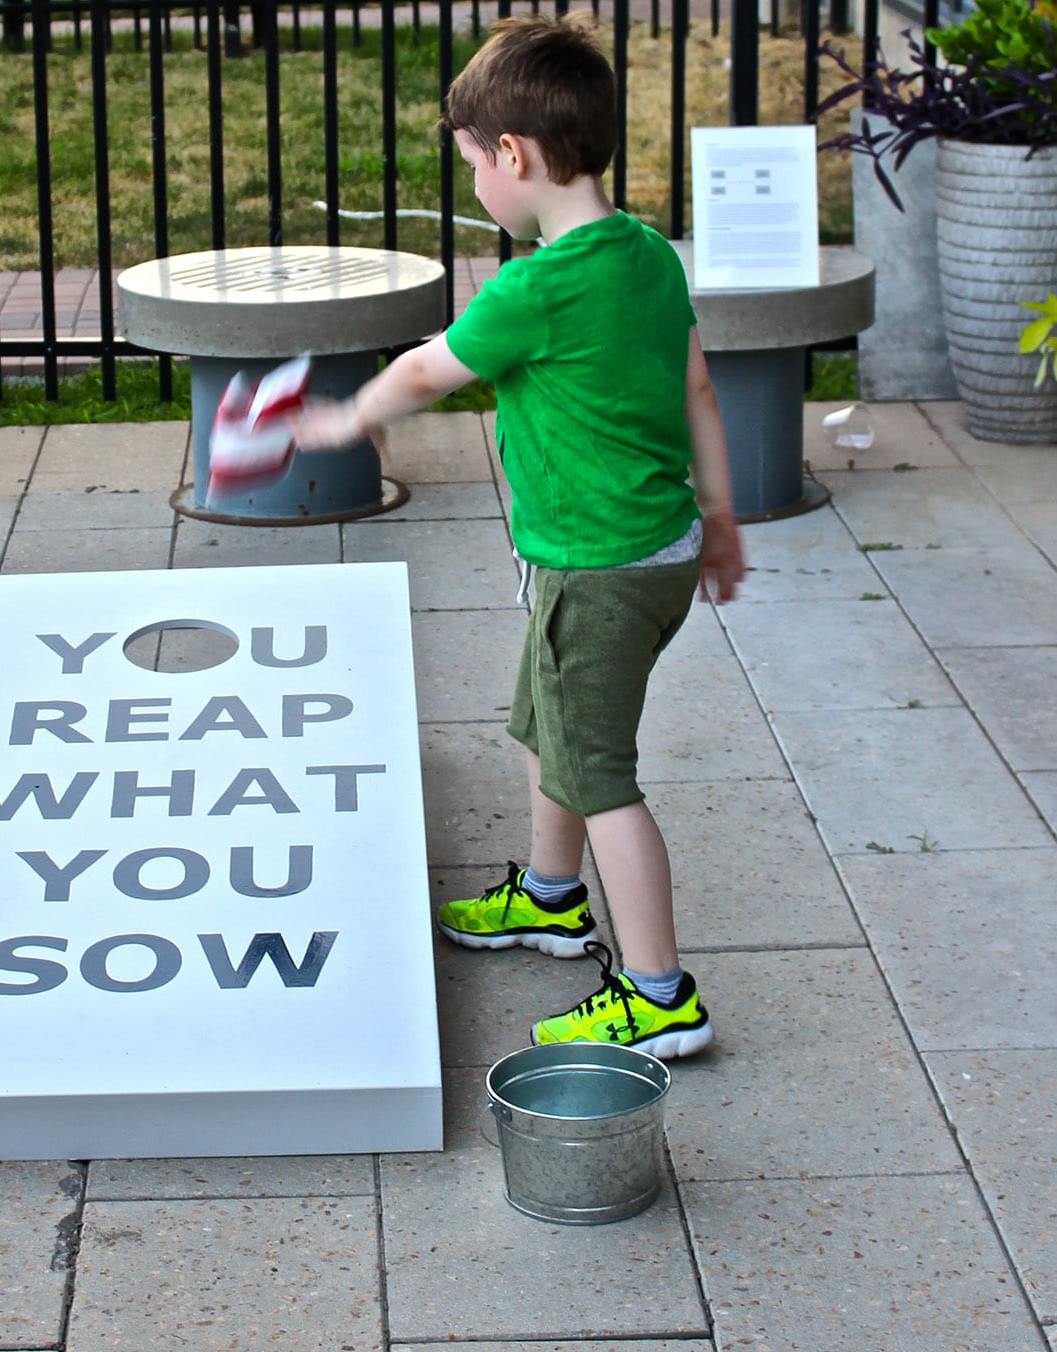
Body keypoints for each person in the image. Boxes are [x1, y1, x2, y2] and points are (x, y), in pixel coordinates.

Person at [292, 11, 745, 1058]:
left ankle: (659, 991)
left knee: (597, 770)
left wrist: (344, 417)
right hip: (654, 551)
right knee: (551, 724)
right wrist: (718, 519)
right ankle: (548, 897)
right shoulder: (646, 257)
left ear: (514, 154)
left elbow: (422, 371)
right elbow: (697, 391)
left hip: (596, 567)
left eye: (470, 167)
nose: (474, 191)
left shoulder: (530, 289)